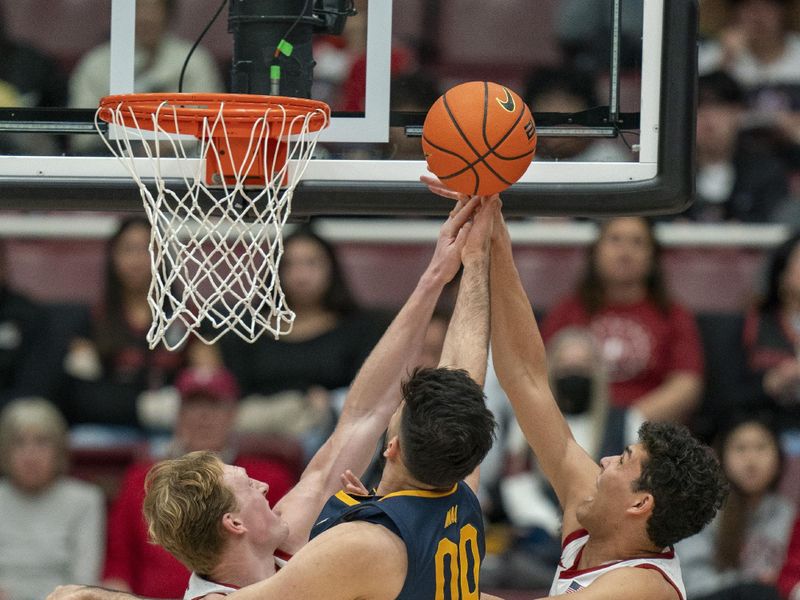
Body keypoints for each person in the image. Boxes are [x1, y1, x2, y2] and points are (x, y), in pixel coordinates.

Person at [47, 195, 492, 600]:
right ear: (234, 523)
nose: (264, 483)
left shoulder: (287, 536)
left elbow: (362, 415)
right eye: (247, 485)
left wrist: (434, 278)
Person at [423, 175, 728, 598]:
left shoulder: (641, 584)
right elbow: (528, 379)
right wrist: (493, 237)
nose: (603, 460)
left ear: (639, 504)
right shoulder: (592, 515)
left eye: (622, 460)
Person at [102, 366, 297, 599]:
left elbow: (289, 545)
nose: (203, 416)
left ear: (233, 413)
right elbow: (117, 567)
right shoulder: (142, 481)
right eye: (193, 405)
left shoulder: (267, 476)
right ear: (178, 414)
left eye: (214, 404)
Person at [216, 223, 390, 457]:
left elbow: (370, 390)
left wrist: (329, 403)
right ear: (276, 271)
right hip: (257, 433)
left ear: (331, 268)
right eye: (290, 265)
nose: (300, 275)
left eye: (311, 263)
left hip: (331, 437)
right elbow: (234, 391)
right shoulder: (248, 328)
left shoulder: (360, 327)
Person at [541, 216, 705, 455]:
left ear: (652, 256)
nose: (625, 251)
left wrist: (630, 419)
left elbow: (687, 384)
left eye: (637, 242)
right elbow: (538, 372)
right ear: (595, 250)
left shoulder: (672, 314)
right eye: (615, 240)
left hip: (644, 433)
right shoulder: (568, 310)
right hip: (574, 429)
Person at [61, 216, 187, 442]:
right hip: (110, 428)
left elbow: (210, 382)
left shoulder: (187, 320)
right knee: (85, 439)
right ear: (113, 258)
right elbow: (83, 396)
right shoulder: (92, 322)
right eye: (128, 249)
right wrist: (142, 407)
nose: (137, 260)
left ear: (162, 257)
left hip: (172, 430)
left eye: (147, 249)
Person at [68, 0, 223, 154]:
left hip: (182, 163)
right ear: (120, 14)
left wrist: (168, 145)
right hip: (110, 160)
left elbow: (211, 126)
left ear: (168, 14)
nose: (145, 17)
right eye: (138, 8)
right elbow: (82, 136)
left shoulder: (195, 61)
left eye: (153, 8)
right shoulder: (95, 64)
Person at [676, 413, 792, 600]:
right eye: (740, 448)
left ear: (778, 458)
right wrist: (750, 586)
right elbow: (692, 581)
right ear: (721, 457)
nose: (751, 460)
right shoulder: (702, 509)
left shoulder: (787, 512)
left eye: (761, 447)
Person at [0, 397, 105, 600]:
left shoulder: (85, 500)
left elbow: (84, 582)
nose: (30, 455)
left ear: (59, 450)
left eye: (41, 442)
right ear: (4, 451)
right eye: (19, 442)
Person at [690, 70, 791, 223]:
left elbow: (777, 223)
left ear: (738, 112)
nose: (708, 117)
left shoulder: (765, 170)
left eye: (718, 106)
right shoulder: (671, 173)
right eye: (699, 107)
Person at [744, 231, 800, 433]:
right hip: (768, 429)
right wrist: (771, 382)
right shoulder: (754, 322)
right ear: (782, 275)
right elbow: (728, 392)